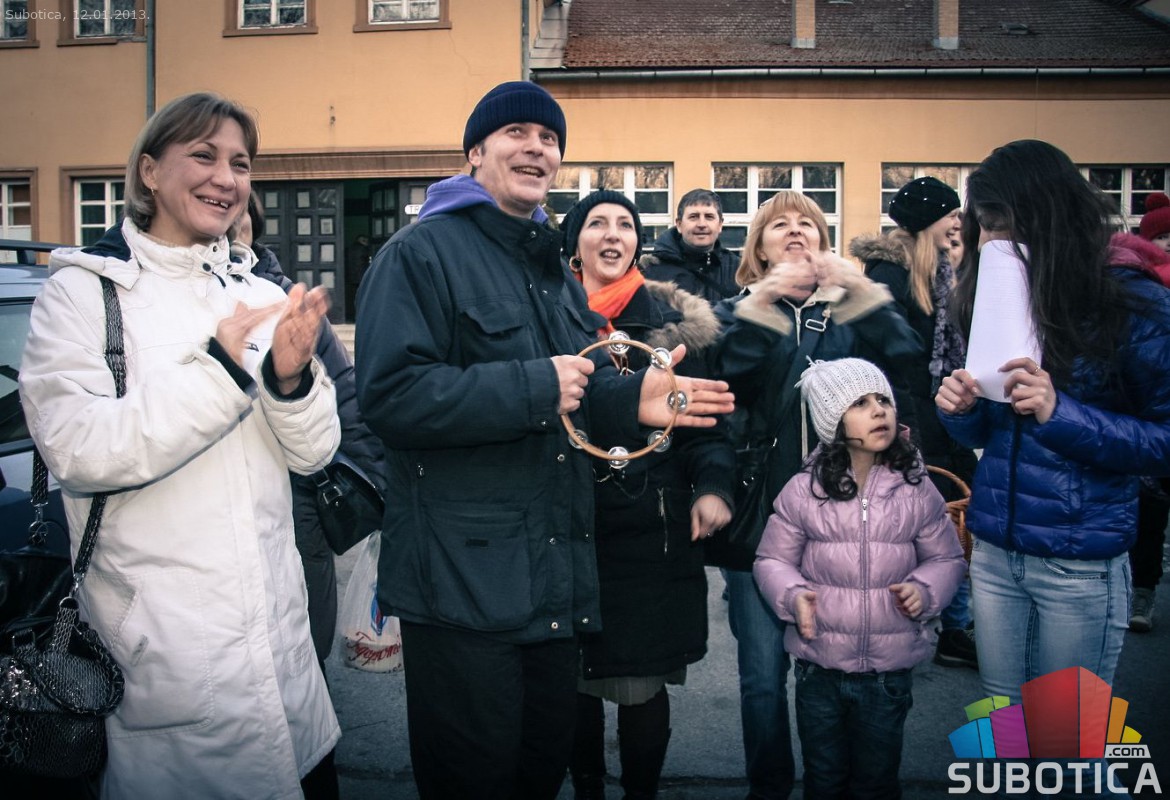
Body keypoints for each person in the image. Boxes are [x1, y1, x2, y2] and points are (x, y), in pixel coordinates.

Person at [353, 81, 735, 800]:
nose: (537, 148)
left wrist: (631, 403)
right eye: (517, 133)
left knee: (538, 775)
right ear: (475, 152)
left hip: (553, 580)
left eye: (550, 138)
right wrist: (532, 386)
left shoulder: (549, 268)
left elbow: (578, 390)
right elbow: (391, 398)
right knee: (474, 782)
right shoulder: (418, 254)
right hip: (462, 589)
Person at [17, 92, 341, 799]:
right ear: (149, 171)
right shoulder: (83, 295)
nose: (226, 178)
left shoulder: (256, 292)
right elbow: (77, 451)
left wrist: (290, 381)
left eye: (241, 163)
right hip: (165, 669)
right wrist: (222, 372)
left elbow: (314, 456)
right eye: (203, 155)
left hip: (284, 670)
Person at [935, 140, 1170, 704]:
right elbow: (990, 432)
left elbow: (1162, 440)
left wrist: (1059, 412)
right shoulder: (993, 292)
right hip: (995, 550)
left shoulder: (1131, 301)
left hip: (1079, 560)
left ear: (1049, 218)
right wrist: (963, 410)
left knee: (1067, 734)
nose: (990, 241)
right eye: (983, 224)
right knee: (1004, 723)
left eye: (1002, 224)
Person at [710, 191, 922, 800]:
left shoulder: (851, 314)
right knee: (761, 677)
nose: (795, 229)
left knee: (847, 671)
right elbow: (729, 378)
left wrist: (862, 295)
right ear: (758, 247)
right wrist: (766, 302)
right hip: (760, 518)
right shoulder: (734, 310)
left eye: (808, 221)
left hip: (845, 521)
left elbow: (908, 364)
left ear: (824, 243)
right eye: (779, 223)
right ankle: (769, 786)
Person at [559, 190, 735, 800]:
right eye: (597, 223)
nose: (613, 234)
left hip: (648, 532)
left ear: (638, 243)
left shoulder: (672, 325)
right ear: (574, 245)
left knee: (640, 685)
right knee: (572, 683)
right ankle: (586, 788)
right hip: (568, 527)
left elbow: (710, 427)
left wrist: (712, 487)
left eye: (626, 225)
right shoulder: (549, 318)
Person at [755, 357, 965, 800]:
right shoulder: (805, 490)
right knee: (824, 778)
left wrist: (925, 589)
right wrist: (793, 596)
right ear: (832, 422)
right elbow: (771, 561)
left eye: (883, 400)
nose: (879, 410)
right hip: (819, 669)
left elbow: (946, 558)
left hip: (888, 675)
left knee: (876, 781)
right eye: (860, 404)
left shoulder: (916, 487)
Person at [232, 191, 387, 666]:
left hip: (299, 498)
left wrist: (374, 483)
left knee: (306, 635)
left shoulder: (287, 303)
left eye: (239, 219)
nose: (228, 228)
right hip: (219, 504)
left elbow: (345, 392)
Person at [849, 177, 978, 670]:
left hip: (941, 416)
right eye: (951, 214)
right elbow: (885, 366)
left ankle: (951, 626)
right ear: (929, 220)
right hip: (910, 424)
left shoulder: (940, 271)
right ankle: (929, 628)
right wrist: (905, 435)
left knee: (951, 525)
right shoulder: (889, 277)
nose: (957, 223)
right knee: (925, 531)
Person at [1113, 194, 1170, 633]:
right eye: (1163, 237)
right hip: (1147, 416)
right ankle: (1144, 591)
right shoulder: (1136, 288)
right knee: (1149, 514)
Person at [640, 188, 740, 304]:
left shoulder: (740, 270)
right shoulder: (652, 271)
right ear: (679, 225)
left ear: (720, 225)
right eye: (693, 217)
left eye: (709, 217)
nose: (702, 224)